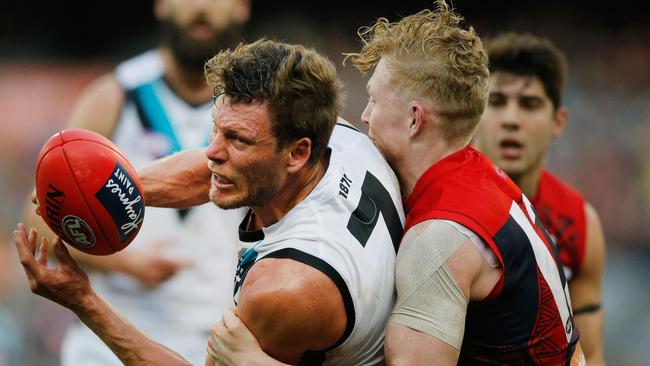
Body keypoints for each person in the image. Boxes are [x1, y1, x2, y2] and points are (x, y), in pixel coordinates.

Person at [205, 2, 587, 365]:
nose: (366, 116)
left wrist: (251, 361)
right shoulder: (482, 176)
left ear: (414, 119)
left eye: (374, 100)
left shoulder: (439, 238)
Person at [16, 38, 405, 365]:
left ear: (297, 153)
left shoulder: (283, 287)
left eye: (238, 140)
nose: (213, 151)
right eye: (215, 130)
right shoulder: (338, 136)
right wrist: (99, 192)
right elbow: (205, 170)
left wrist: (83, 300)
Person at [21, 0, 251, 364]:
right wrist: (126, 263)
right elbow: (39, 216)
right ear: (161, 5)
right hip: (107, 338)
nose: (202, 7)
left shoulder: (258, 103)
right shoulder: (116, 94)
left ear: (242, 7)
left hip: (215, 339)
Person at [472, 32, 606, 364]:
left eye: (529, 104)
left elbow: (589, 352)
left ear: (558, 121)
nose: (511, 120)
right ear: (475, 110)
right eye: (497, 102)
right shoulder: (436, 198)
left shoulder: (578, 222)